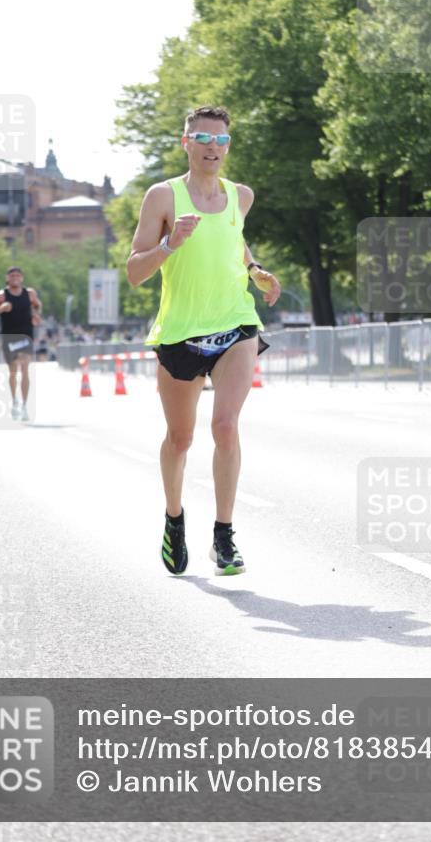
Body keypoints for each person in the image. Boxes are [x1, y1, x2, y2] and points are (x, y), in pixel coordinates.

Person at [127, 105, 281, 576]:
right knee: (180, 438)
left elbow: (234, 241)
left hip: (236, 323)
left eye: (222, 141)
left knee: (226, 427)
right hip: (181, 333)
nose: (213, 148)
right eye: (204, 139)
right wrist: (171, 244)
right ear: (186, 143)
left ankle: (224, 534)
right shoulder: (163, 197)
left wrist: (255, 271)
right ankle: (174, 520)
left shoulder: (241, 196)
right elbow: (135, 272)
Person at [0, 266, 41, 421]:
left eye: (18, 275)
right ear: (7, 278)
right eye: (12, 275)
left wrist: (36, 314)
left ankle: (25, 406)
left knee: (25, 368)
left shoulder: (30, 294)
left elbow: (37, 304)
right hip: (9, 336)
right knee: (13, 370)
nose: (15, 277)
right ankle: (15, 401)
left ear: (22, 278)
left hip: (26, 335)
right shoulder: (1, 296)